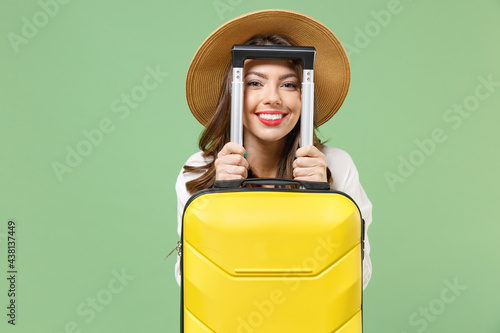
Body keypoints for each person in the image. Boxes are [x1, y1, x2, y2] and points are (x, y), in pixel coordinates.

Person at [175, 9, 373, 290]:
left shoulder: (337, 166)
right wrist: (217, 202)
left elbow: (357, 280)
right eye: (255, 83)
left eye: (289, 84)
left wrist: (325, 205)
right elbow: (192, 284)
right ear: (233, 93)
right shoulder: (197, 171)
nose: (272, 98)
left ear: (304, 96)